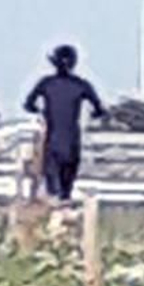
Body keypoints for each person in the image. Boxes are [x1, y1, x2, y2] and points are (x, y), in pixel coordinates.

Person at [24, 45, 105, 201]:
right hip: (72, 142)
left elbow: (28, 105)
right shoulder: (81, 85)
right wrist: (93, 115)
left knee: (53, 191)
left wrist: (41, 112)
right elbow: (99, 109)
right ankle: (64, 207)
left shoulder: (46, 83)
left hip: (52, 142)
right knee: (66, 191)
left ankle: (54, 211)